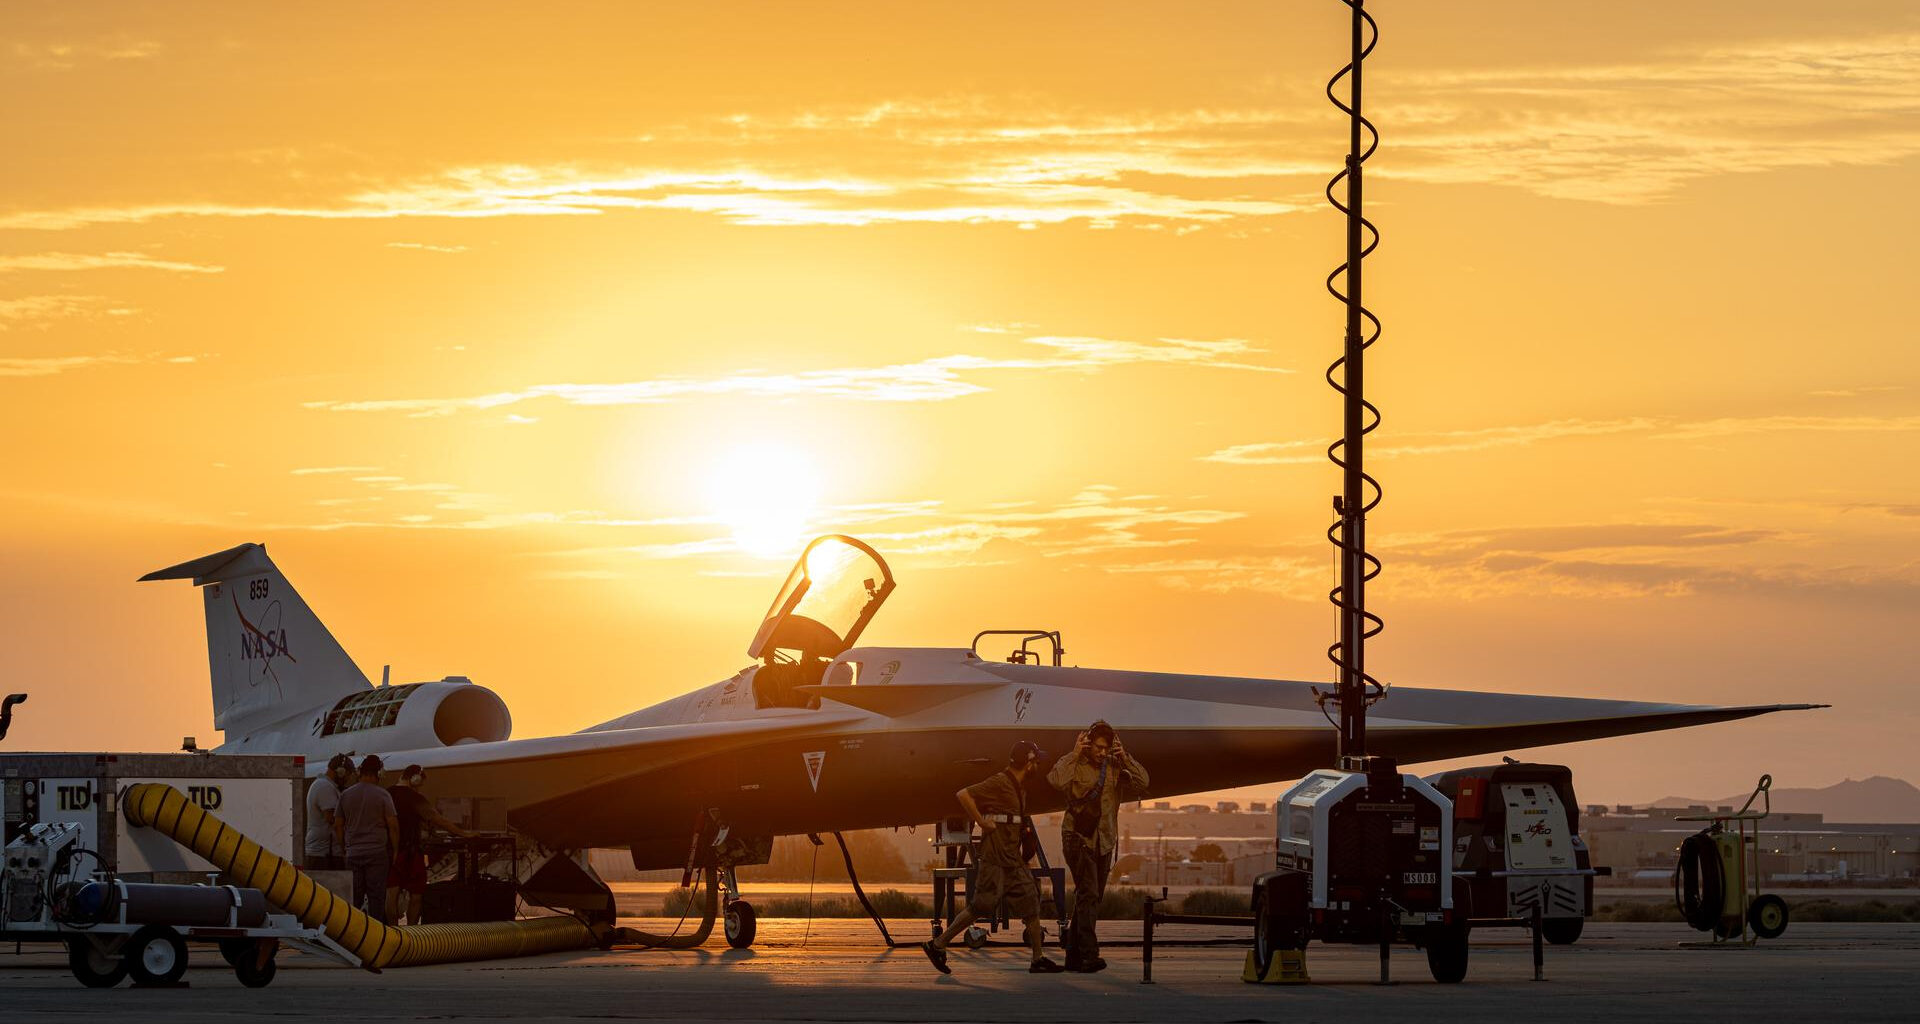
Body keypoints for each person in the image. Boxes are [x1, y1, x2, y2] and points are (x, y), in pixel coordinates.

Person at [922, 740, 1064, 975]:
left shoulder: (1020, 787)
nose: (1038, 765)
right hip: (995, 857)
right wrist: (980, 820)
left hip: (1012, 858)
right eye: (1035, 760)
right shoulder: (999, 782)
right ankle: (937, 944)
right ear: (1028, 763)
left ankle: (1038, 958)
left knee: (1030, 902)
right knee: (981, 905)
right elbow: (964, 795)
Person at [1046, 719, 1148, 972]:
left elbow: (1143, 782)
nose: (1102, 753)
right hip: (1078, 838)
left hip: (1104, 840)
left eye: (1107, 748)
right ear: (1089, 744)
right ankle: (1089, 955)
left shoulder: (1114, 766)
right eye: (1099, 747)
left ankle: (1072, 956)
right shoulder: (1074, 764)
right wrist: (1075, 753)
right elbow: (1056, 780)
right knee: (1089, 894)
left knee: (1090, 897)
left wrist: (1124, 757)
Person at [385, 764, 470, 925]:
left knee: (391, 894)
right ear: (415, 778)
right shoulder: (415, 797)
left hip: (390, 852)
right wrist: (464, 833)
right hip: (411, 852)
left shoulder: (387, 794)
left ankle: (392, 931)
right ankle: (413, 932)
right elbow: (439, 820)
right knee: (417, 895)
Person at [337, 754, 399, 923]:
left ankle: (353, 935)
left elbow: (338, 825)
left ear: (359, 772)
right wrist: (395, 850)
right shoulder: (383, 795)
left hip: (353, 853)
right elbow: (393, 825)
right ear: (379, 774)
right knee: (376, 898)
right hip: (377, 854)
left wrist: (344, 847)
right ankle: (374, 938)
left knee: (354, 899)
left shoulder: (345, 795)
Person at [303, 753, 354, 870]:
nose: (347, 779)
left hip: (325, 852)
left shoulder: (326, 785)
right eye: (348, 775)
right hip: (325, 853)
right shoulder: (325, 787)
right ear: (341, 771)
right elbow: (332, 819)